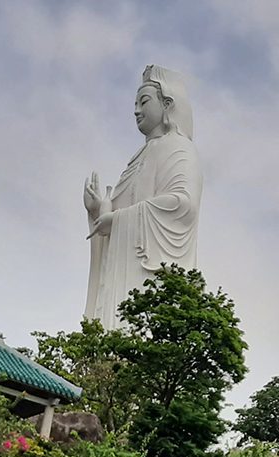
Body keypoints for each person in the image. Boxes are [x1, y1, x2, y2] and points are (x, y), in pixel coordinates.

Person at [83, 65, 203, 329]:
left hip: (148, 272)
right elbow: (117, 213)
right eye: (135, 104)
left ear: (167, 104)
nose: (136, 110)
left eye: (144, 102)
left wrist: (117, 220)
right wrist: (98, 211)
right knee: (114, 332)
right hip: (121, 271)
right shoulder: (138, 157)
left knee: (141, 331)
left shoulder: (179, 148)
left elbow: (183, 204)